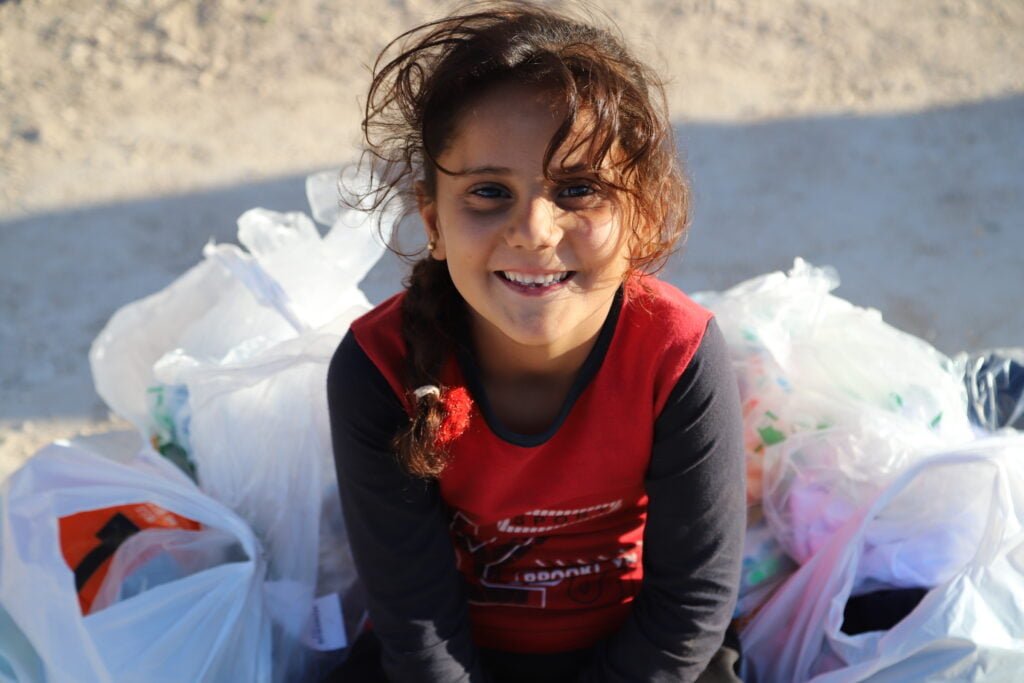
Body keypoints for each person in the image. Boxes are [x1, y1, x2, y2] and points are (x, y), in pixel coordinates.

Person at [327, 3, 745, 681]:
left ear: (641, 216)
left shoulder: (676, 353)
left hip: (638, 657)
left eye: (578, 188)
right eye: (489, 191)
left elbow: (689, 609)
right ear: (433, 222)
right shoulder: (378, 367)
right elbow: (417, 624)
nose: (534, 231)